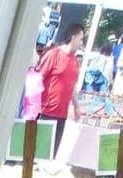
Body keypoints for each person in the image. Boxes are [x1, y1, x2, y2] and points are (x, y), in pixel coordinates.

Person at [38, 21, 83, 152]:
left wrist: (76, 106)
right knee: (39, 152)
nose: (81, 43)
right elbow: (38, 78)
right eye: (81, 39)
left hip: (61, 115)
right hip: (46, 112)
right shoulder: (54, 54)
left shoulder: (74, 61)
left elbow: (72, 85)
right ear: (73, 37)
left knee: (51, 152)